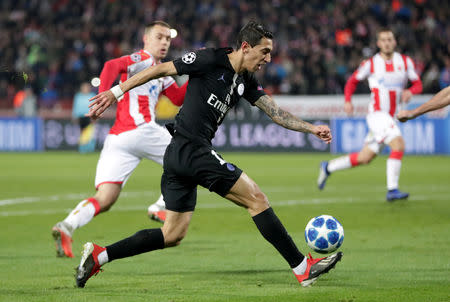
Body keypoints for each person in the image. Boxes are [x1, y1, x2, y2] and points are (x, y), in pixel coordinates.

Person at [74, 20, 342, 289]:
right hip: (192, 149)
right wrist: (116, 92)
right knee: (257, 200)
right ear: (246, 47)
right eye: (264, 52)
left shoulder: (245, 80)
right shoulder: (210, 59)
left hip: (178, 154)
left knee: (172, 234)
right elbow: (161, 69)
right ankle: (302, 267)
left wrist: (311, 128)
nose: (268, 59)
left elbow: (275, 112)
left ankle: (100, 255)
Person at [51, 21, 187, 258]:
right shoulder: (142, 59)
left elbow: (176, 98)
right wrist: (103, 94)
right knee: (190, 158)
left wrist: (197, 76)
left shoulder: (162, 70)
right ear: (146, 39)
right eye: (159, 37)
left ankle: (67, 225)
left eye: (168, 38)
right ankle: (160, 206)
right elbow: (111, 65)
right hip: (142, 129)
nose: (164, 42)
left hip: (118, 139)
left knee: (105, 198)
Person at [317, 28, 423, 201]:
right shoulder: (371, 64)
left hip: (392, 116)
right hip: (377, 115)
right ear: (378, 43)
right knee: (398, 144)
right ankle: (392, 190)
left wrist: (411, 91)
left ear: (395, 42)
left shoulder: (405, 62)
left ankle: (328, 167)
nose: (387, 42)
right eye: (384, 40)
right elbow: (352, 82)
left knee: (365, 157)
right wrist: (347, 100)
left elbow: (418, 84)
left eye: (390, 39)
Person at [72, 82, 96, 153]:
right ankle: (82, 148)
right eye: (84, 87)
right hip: (80, 116)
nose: (85, 89)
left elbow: (95, 106)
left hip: (90, 116)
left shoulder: (92, 95)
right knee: (82, 133)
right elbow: (75, 106)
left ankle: (90, 148)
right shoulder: (78, 96)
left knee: (89, 132)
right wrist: (74, 116)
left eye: (86, 87)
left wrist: (95, 116)